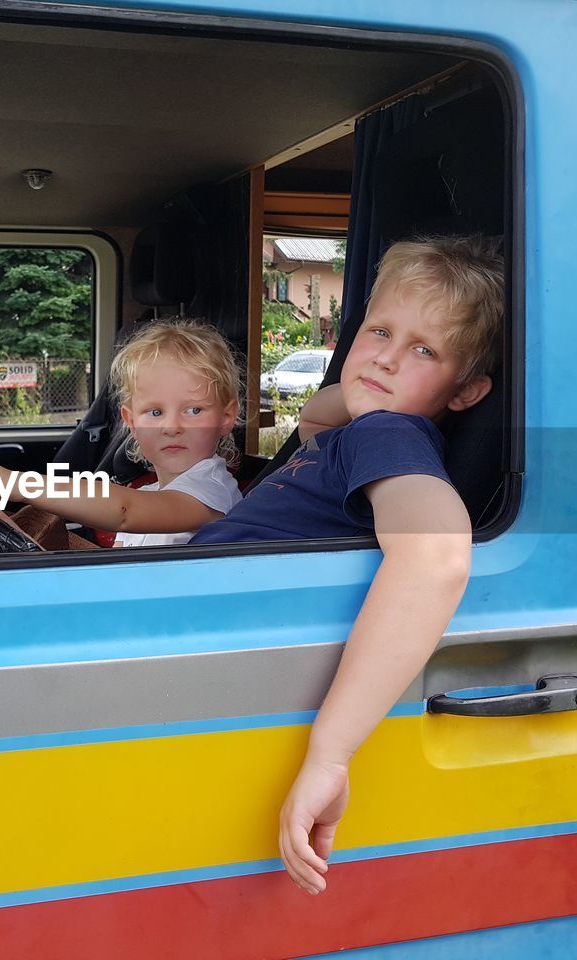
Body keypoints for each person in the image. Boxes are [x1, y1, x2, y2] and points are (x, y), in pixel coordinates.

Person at [189, 235, 503, 895]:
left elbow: (437, 552)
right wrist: (365, 381)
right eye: (378, 330)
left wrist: (330, 754)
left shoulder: (387, 433)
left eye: (423, 349)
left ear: (468, 391)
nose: (387, 358)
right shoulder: (362, 428)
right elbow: (314, 415)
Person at [0, 320, 242, 546]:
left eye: (193, 411)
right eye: (155, 412)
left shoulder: (211, 490)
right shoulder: (147, 494)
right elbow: (117, 574)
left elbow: (125, 510)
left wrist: (12, 483)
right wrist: (18, 539)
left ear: (227, 417)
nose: (172, 427)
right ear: (131, 422)